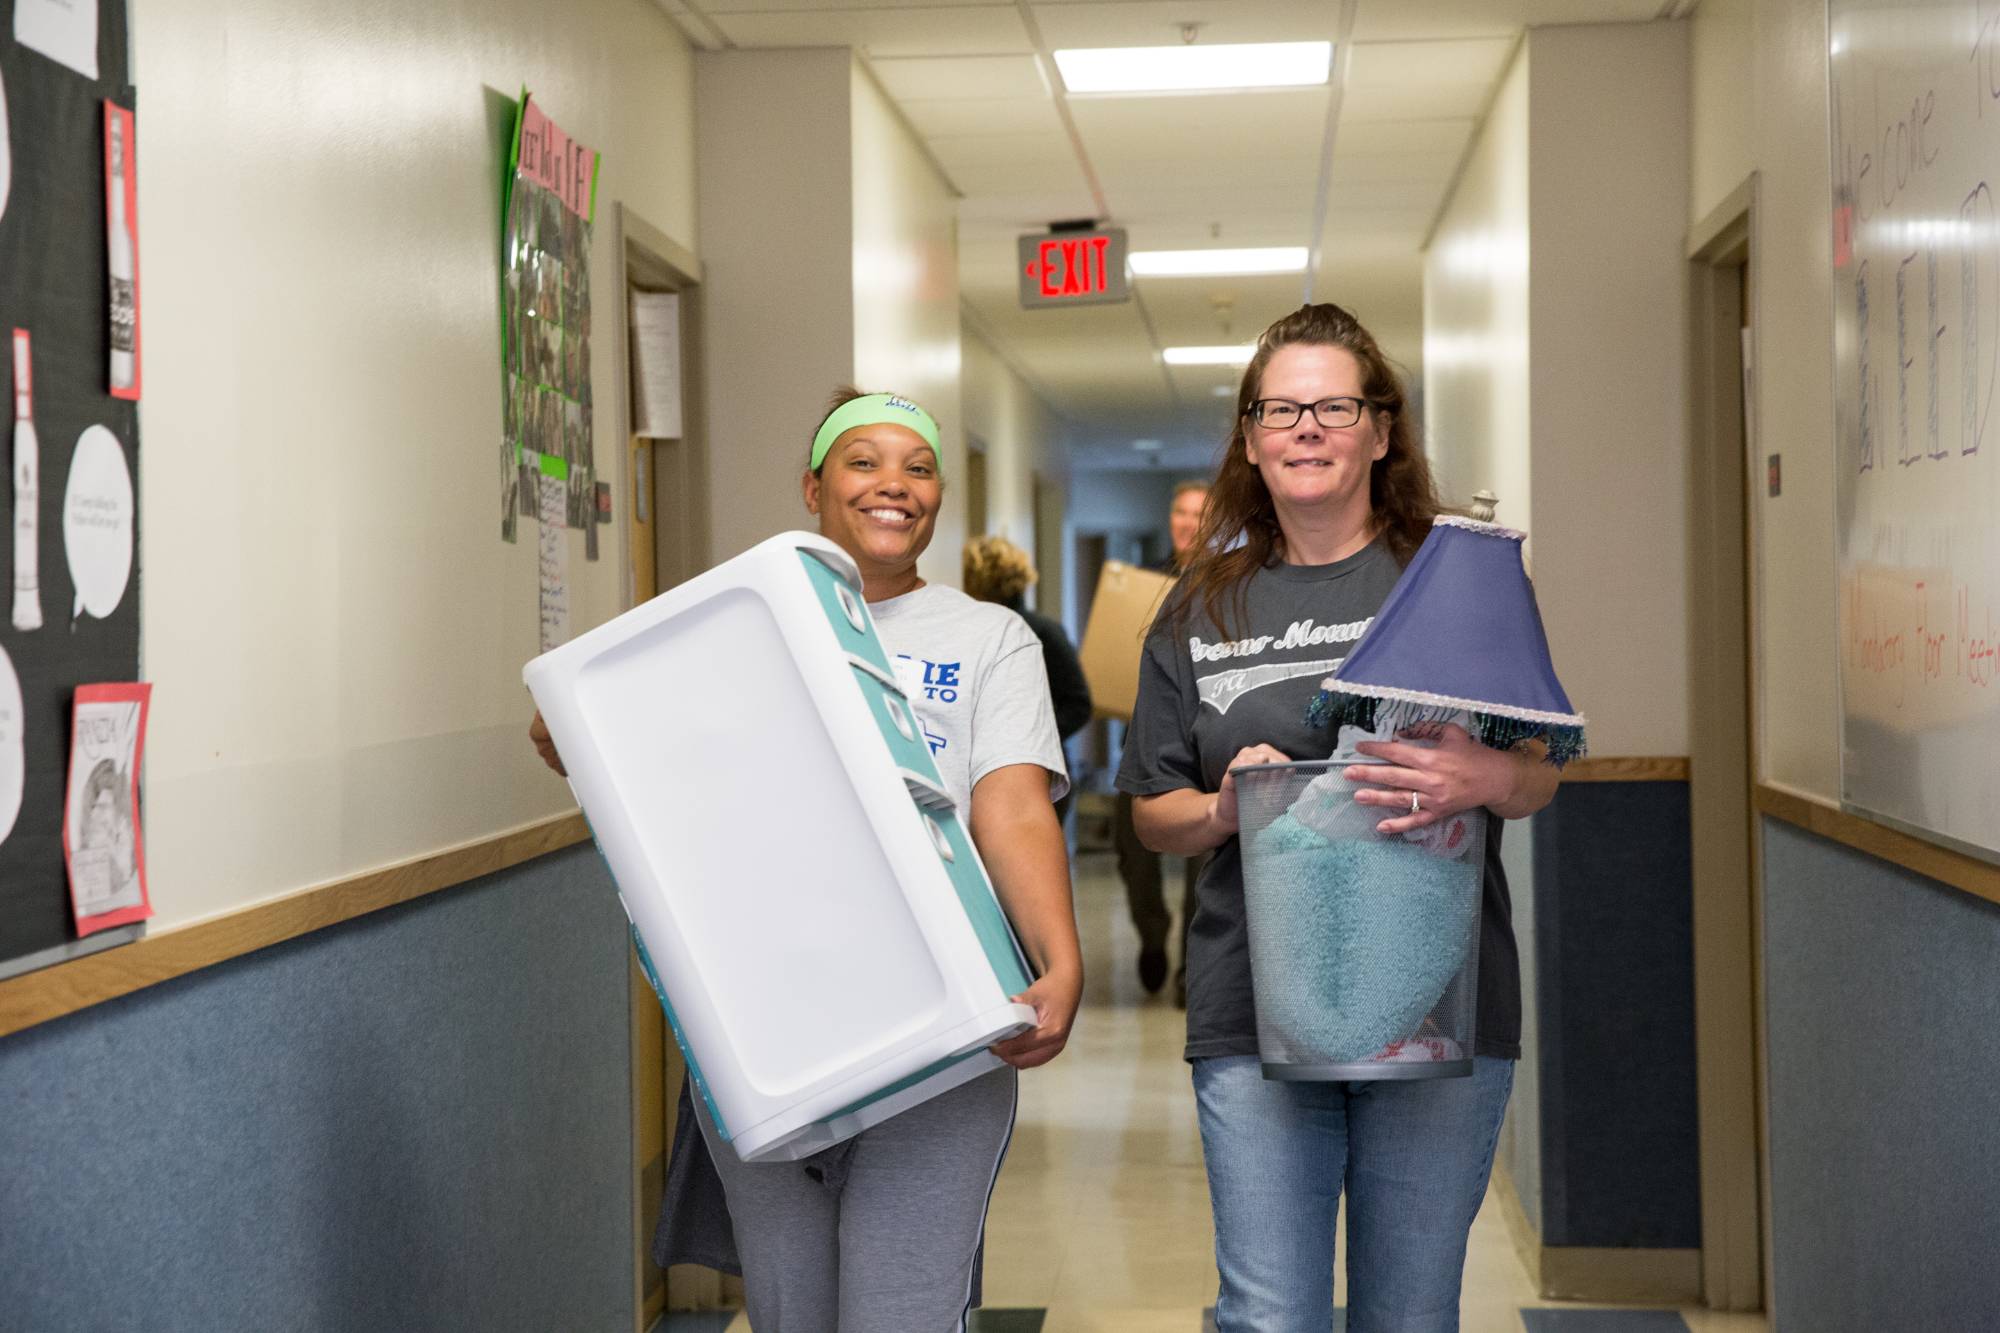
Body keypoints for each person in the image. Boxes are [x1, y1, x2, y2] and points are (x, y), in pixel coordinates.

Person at [529, 387, 1083, 1330]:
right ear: (814, 486)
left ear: (939, 496)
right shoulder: (739, 625)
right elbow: (596, 738)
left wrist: (1059, 959)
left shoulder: (989, 638)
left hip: (940, 1034)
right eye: (864, 461)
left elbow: (1012, 804)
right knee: (792, 1316)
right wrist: (588, 722)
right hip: (771, 1033)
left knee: (898, 1315)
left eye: (917, 467)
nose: (893, 486)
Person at [1117, 303, 1559, 1331]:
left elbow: (1538, 773)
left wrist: (1482, 781)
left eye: (1331, 405)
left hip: (1433, 1003)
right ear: (1249, 437)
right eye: (1279, 408)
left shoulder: (1454, 581)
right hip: (1252, 1008)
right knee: (1269, 1315)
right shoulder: (1197, 607)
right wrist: (1225, 808)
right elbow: (1151, 812)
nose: (1304, 427)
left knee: (1407, 1315)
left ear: (1379, 429)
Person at [1116, 479, 1209, 999]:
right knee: (1133, 851)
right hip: (1142, 737)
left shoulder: (1231, 586)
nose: (1188, 522)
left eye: (1200, 514)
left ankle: (1189, 970)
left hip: (1206, 746)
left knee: (1204, 859)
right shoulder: (1136, 584)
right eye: (1180, 511)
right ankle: (1152, 937)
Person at [961, 533, 1092, 827]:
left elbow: (1079, 704)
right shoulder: (969, 631)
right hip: (976, 776)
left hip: (1038, 775)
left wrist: (1024, 740)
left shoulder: (1041, 633)